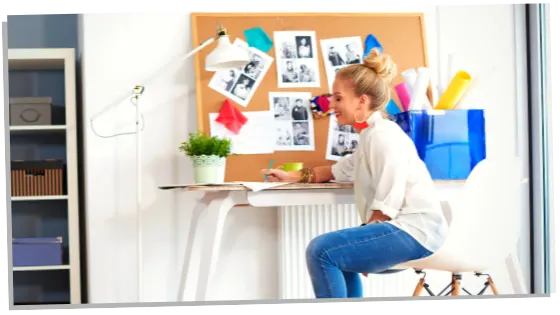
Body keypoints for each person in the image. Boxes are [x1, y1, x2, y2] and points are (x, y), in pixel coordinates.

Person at [260, 48, 448, 299]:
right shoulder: (370, 137)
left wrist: (365, 245)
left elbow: (388, 202)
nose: (332, 105)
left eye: (338, 98)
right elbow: (334, 171)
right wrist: (289, 176)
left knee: (322, 250)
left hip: (416, 231)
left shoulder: (383, 136)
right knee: (337, 254)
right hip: (408, 230)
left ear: (362, 101)